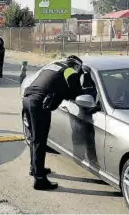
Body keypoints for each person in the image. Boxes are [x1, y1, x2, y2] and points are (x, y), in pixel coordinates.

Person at [22, 55, 84, 190]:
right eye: (80, 69)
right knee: (40, 140)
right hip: (39, 103)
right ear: (77, 66)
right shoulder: (70, 71)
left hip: (28, 99)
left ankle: (35, 168)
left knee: (34, 138)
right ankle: (40, 180)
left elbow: (52, 85)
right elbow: (76, 93)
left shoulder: (53, 66)